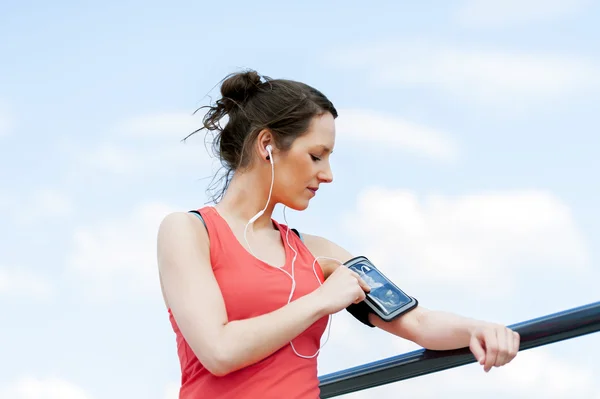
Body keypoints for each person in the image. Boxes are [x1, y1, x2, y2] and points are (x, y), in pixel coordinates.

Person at [156, 69, 520, 398]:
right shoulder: (188, 232)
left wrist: (480, 329)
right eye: (317, 156)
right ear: (267, 144)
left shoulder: (321, 254)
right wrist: (321, 300)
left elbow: (419, 322)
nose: (328, 174)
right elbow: (219, 351)